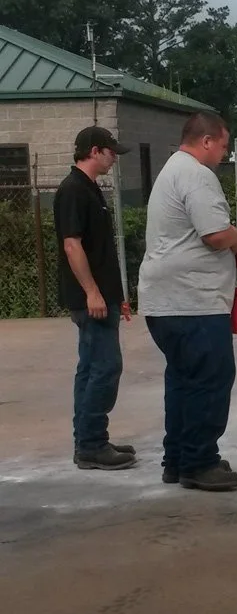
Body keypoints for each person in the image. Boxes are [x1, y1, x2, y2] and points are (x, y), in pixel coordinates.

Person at [139, 112, 237, 492]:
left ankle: (178, 459)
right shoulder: (197, 175)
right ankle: (199, 463)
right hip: (194, 302)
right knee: (211, 379)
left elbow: (219, 233)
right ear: (206, 141)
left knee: (184, 380)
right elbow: (217, 234)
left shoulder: (174, 169)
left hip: (167, 302)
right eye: (223, 146)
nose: (223, 154)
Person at [53, 126, 138, 471]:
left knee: (90, 368)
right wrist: (91, 292)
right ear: (93, 150)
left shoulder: (89, 189)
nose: (114, 158)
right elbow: (72, 245)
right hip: (90, 299)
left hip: (101, 297)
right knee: (105, 367)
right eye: (110, 151)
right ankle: (91, 444)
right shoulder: (73, 191)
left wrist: (115, 296)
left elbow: (99, 251)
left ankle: (88, 441)